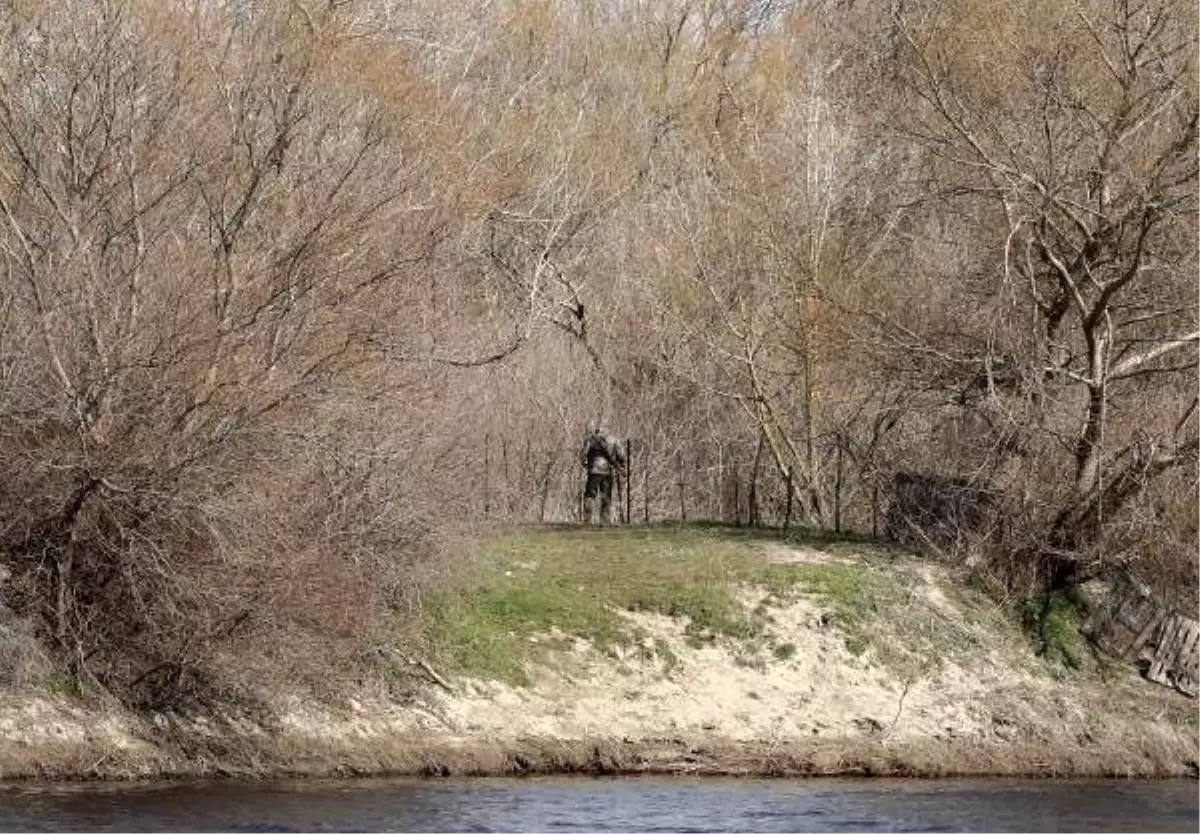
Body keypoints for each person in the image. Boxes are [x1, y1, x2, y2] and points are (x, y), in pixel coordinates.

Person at [581, 421, 625, 524]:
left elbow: (583, 456)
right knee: (606, 495)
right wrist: (621, 466)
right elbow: (621, 455)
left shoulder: (590, 440)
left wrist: (587, 466)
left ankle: (587, 520)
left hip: (593, 471)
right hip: (607, 471)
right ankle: (605, 520)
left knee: (590, 495)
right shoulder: (614, 440)